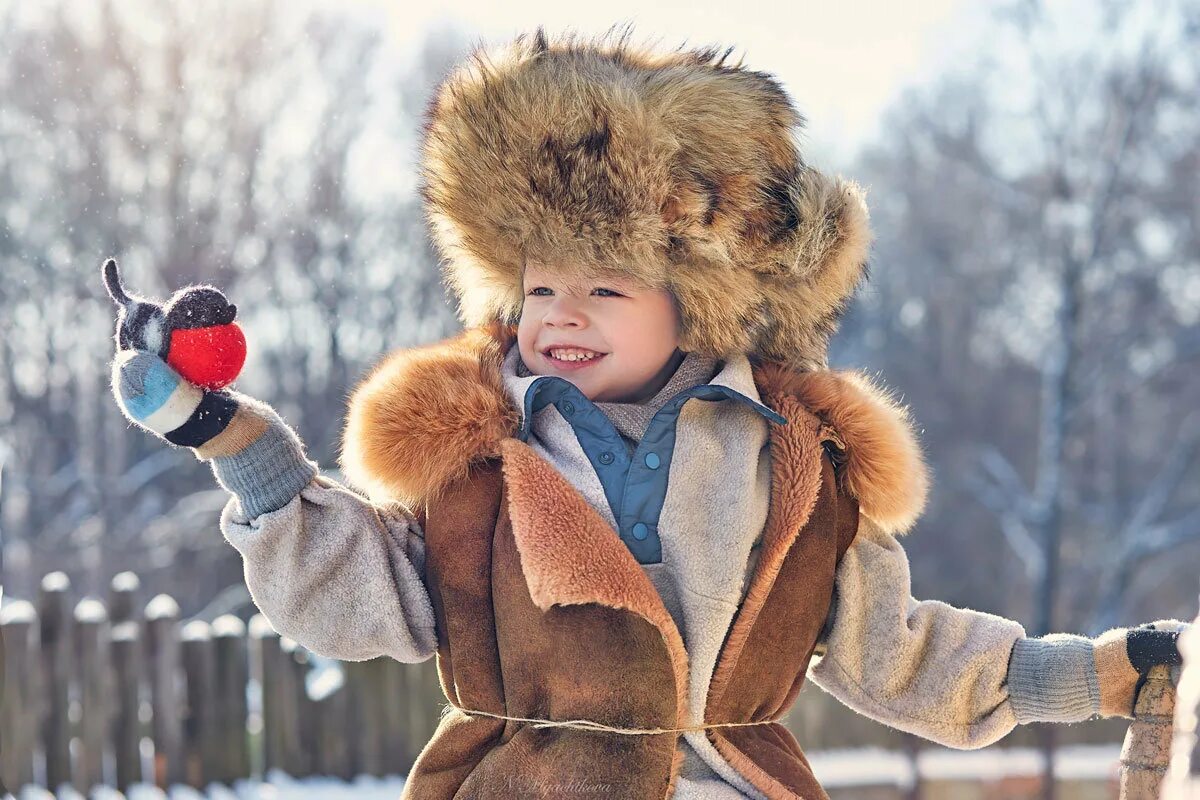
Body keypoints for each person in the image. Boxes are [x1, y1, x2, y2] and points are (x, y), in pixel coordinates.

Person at [110, 26, 1189, 800]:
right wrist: (238, 445)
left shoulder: (792, 467)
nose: (560, 315)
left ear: (695, 307)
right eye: (539, 288)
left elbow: (895, 649)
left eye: (606, 288)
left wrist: (1083, 672)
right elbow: (360, 594)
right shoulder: (481, 461)